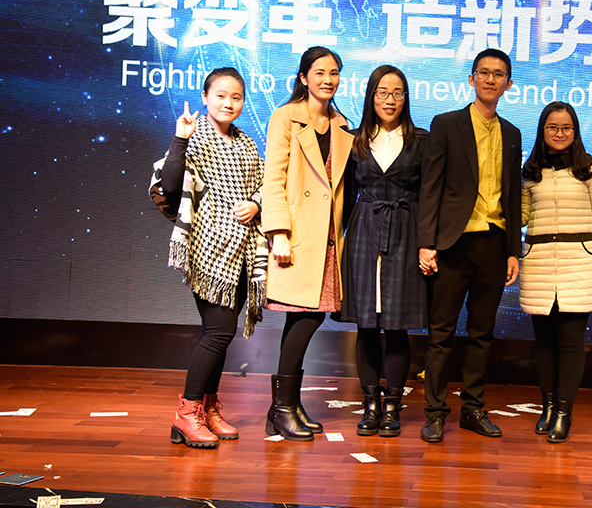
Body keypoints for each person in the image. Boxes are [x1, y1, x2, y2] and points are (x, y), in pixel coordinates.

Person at [150, 67, 267, 449]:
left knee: (223, 335)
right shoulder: (195, 137)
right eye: (220, 95)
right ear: (205, 97)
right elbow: (168, 187)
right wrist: (180, 139)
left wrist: (255, 203)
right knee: (217, 333)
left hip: (244, 252)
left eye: (236, 97)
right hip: (210, 251)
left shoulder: (246, 144)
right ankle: (186, 414)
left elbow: (264, 186)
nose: (228, 103)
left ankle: (208, 407)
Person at [417, 48, 522, 443]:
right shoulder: (446, 124)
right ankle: (434, 412)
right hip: (452, 243)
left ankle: (473, 409)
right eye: (484, 72)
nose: (491, 79)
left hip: (494, 243)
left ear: (508, 84)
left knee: (482, 332)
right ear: (471, 79)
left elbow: (512, 195)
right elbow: (430, 187)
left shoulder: (512, 133)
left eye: (499, 74)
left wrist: (513, 250)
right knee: (441, 332)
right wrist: (426, 243)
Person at [261, 46, 355, 441]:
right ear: (303, 78)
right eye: (319, 72)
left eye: (334, 73)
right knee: (304, 317)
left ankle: (287, 405)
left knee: (306, 318)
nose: (328, 80)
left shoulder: (342, 124)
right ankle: (283, 407)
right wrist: (278, 232)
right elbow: (273, 178)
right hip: (298, 236)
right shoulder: (285, 117)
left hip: (329, 238)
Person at [520, 102, 592, 443]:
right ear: (543, 130)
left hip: (578, 261)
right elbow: (521, 216)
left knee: (570, 342)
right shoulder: (530, 170)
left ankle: (564, 412)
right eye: (553, 127)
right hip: (539, 261)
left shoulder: (590, 168)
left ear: (575, 131)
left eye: (566, 128)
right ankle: (548, 407)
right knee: (544, 343)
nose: (560, 133)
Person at [341, 65, 428, 438]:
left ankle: (392, 405)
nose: (390, 100)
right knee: (366, 324)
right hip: (364, 230)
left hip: (407, 232)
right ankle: (370, 403)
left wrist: (428, 243)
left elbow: (430, 196)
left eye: (397, 93)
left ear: (406, 98)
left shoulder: (421, 140)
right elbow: (344, 196)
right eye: (382, 92)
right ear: (370, 96)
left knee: (396, 325)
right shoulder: (353, 139)